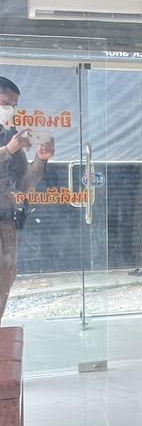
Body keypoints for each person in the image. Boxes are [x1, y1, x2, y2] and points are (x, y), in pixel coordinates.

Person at [0, 77, 55, 322]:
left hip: (8, 223)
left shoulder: (9, 135)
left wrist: (41, 158)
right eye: (5, 104)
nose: (10, 110)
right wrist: (8, 150)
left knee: (4, 283)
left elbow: (24, 183)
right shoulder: (10, 143)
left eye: (14, 105)